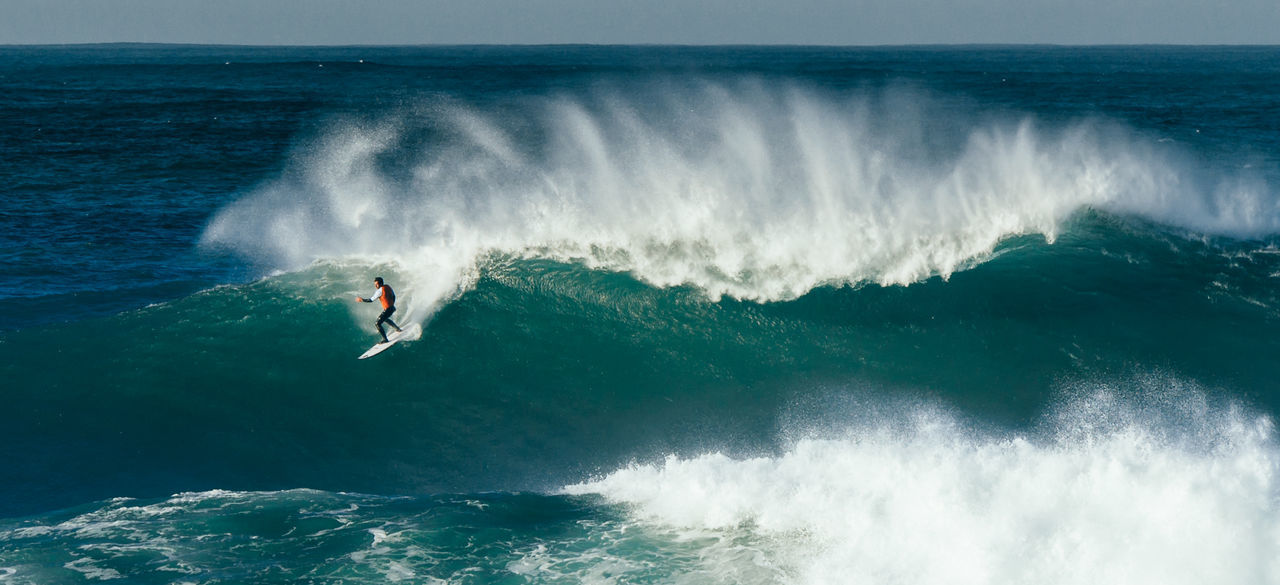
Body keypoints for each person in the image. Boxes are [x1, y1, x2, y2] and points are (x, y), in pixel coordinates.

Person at [356, 277, 403, 343]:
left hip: (388, 309)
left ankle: (385, 339)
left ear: (381, 283)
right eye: (375, 284)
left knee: (377, 323)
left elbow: (371, 300)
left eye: (377, 284)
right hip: (392, 308)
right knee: (385, 319)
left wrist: (362, 300)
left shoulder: (379, 291)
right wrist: (392, 304)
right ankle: (397, 329)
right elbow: (394, 296)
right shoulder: (388, 286)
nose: (375, 286)